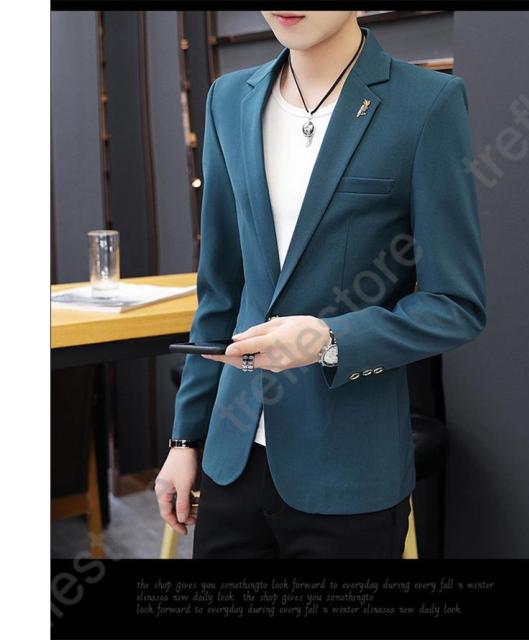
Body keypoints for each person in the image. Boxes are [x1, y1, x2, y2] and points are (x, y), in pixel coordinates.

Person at [155, 10, 487, 559]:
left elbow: (455, 305)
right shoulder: (227, 99)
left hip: (348, 472)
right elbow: (220, 290)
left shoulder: (428, 103)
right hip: (232, 461)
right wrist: (185, 438)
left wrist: (328, 339)